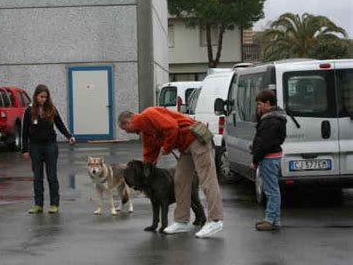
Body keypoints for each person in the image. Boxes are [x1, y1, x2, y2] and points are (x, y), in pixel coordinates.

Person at [118, 107, 224, 238]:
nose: (126, 132)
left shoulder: (148, 114)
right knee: (180, 179)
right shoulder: (145, 132)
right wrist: (146, 172)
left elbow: (172, 127)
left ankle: (215, 220)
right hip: (185, 147)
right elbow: (149, 155)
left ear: (128, 121)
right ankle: (182, 221)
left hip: (196, 139)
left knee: (207, 180)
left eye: (125, 129)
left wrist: (166, 148)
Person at [22, 84, 75, 214]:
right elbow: (24, 132)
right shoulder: (29, 111)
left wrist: (69, 136)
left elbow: (59, 124)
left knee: (52, 176)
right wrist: (25, 149)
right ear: (36, 96)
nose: (43, 99)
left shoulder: (51, 109)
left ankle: (54, 204)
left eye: (46, 97)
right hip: (35, 147)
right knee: (37, 177)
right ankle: (38, 204)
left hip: (50, 146)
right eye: (41, 97)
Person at [250, 89, 287, 231]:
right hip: (273, 156)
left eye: (260, 104)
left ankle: (271, 220)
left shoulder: (269, 121)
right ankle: (274, 219)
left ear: (268, 103)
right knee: (272, 189)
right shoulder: (278, 118)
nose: (258, 107)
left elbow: (263, 143)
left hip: (268, 157)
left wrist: (255, 160)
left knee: (271, 191)